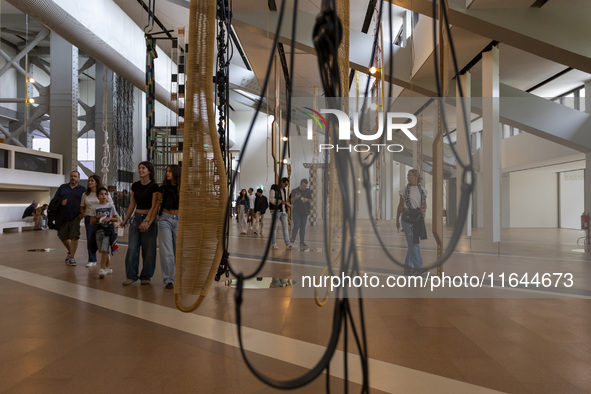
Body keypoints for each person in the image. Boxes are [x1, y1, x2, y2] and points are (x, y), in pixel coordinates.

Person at [120, 161, 159, 286]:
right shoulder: (135, 186)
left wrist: (147, 221)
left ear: (149, 171)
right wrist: (125, 220)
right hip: (136, 218)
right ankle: (131, 275)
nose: (140, 170)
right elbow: (132, 204)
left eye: (143, 168)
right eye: (139, 168)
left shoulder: (154, 187)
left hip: (148, 219)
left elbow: (154, 206)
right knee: (132, 248)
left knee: (149, 250)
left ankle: (146, 276)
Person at [396, 169, 428, 275]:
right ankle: (419, 266)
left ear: (416, 176)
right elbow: (400, 205)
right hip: (407, 218)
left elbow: (425, 205)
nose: (408, 177)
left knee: (412, 241)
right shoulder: (404, 190)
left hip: (418, 219)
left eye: (410, 175)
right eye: (407, 175)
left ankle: (407, 264)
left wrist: (423, 210)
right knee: (413, 242)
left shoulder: (422, 190)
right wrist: (396, 219)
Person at [52, 171, 86, 266]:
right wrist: (60, 202)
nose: (73, 178)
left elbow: (86, 202)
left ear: (78, 178)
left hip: (75, 216)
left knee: (74, 235)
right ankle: (70, 251)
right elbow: (55, 199)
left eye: (75, 176)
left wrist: (83, 214)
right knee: (62, 235)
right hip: (62, 216)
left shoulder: (82, 189)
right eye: (71, 176)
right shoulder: (63, 187)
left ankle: (72, 257)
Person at [155, 164, 180, 289]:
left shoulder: (183, 188)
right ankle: (169, 279)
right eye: (166, 171)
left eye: (170, 171)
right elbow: (155, 205)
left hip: (179, 220)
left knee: (178, 250)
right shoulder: (163, 188)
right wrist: (149, 220)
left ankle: (179, 277)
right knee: (167, 251)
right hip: (165, 218)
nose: (167, 173)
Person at [80, 175, 114, 268]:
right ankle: (92, 259)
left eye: (92, 181)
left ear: (96, 182)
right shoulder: (85, 194)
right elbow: (82, 207)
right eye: (89, 181)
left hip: (103, 219)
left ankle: (106, 256)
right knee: (90, 239)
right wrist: (84, 214)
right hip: (90, 218)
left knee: (103, 238)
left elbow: (110, 204)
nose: (89, 182)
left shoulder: (103, 193)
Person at [90, 187, 119, 279]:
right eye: (101, 194)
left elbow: (116, 218)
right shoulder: (94, 207)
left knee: (104, 249)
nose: (103, 196)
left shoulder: (110, 206)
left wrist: (109, 218)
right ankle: (109, 267)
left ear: (107, 196)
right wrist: (98, 217)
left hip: (108, 231)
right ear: (98, 196)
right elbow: (91, 221)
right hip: (98, 230)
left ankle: (102, 268)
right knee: (102, 250)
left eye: (105, 194)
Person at [270, 177, 293, 250]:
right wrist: (280, 201)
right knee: (275, 228)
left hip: (283, 211)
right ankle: (274, 243)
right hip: (276, 211)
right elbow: (271, 200)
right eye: (285, 184)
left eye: (287, 185)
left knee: (286, 228)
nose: (286, 186)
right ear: (282, 182)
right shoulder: (274, 188)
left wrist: (288, 205)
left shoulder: (284, 190)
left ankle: (288, 244)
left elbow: (284, 200)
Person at [290, 178, 313, 250]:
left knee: (303, 227)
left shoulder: (307, 191)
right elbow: (290, 200)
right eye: (303, 186)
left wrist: (307, 199)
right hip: (296, 211)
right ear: (300, 184)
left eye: (305, 186)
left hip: (305, 212)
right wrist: (295, 197)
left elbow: (311, 200)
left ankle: (302, 241)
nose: (304, 188)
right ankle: (292, 240)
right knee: (296, 226)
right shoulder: (294, 191)